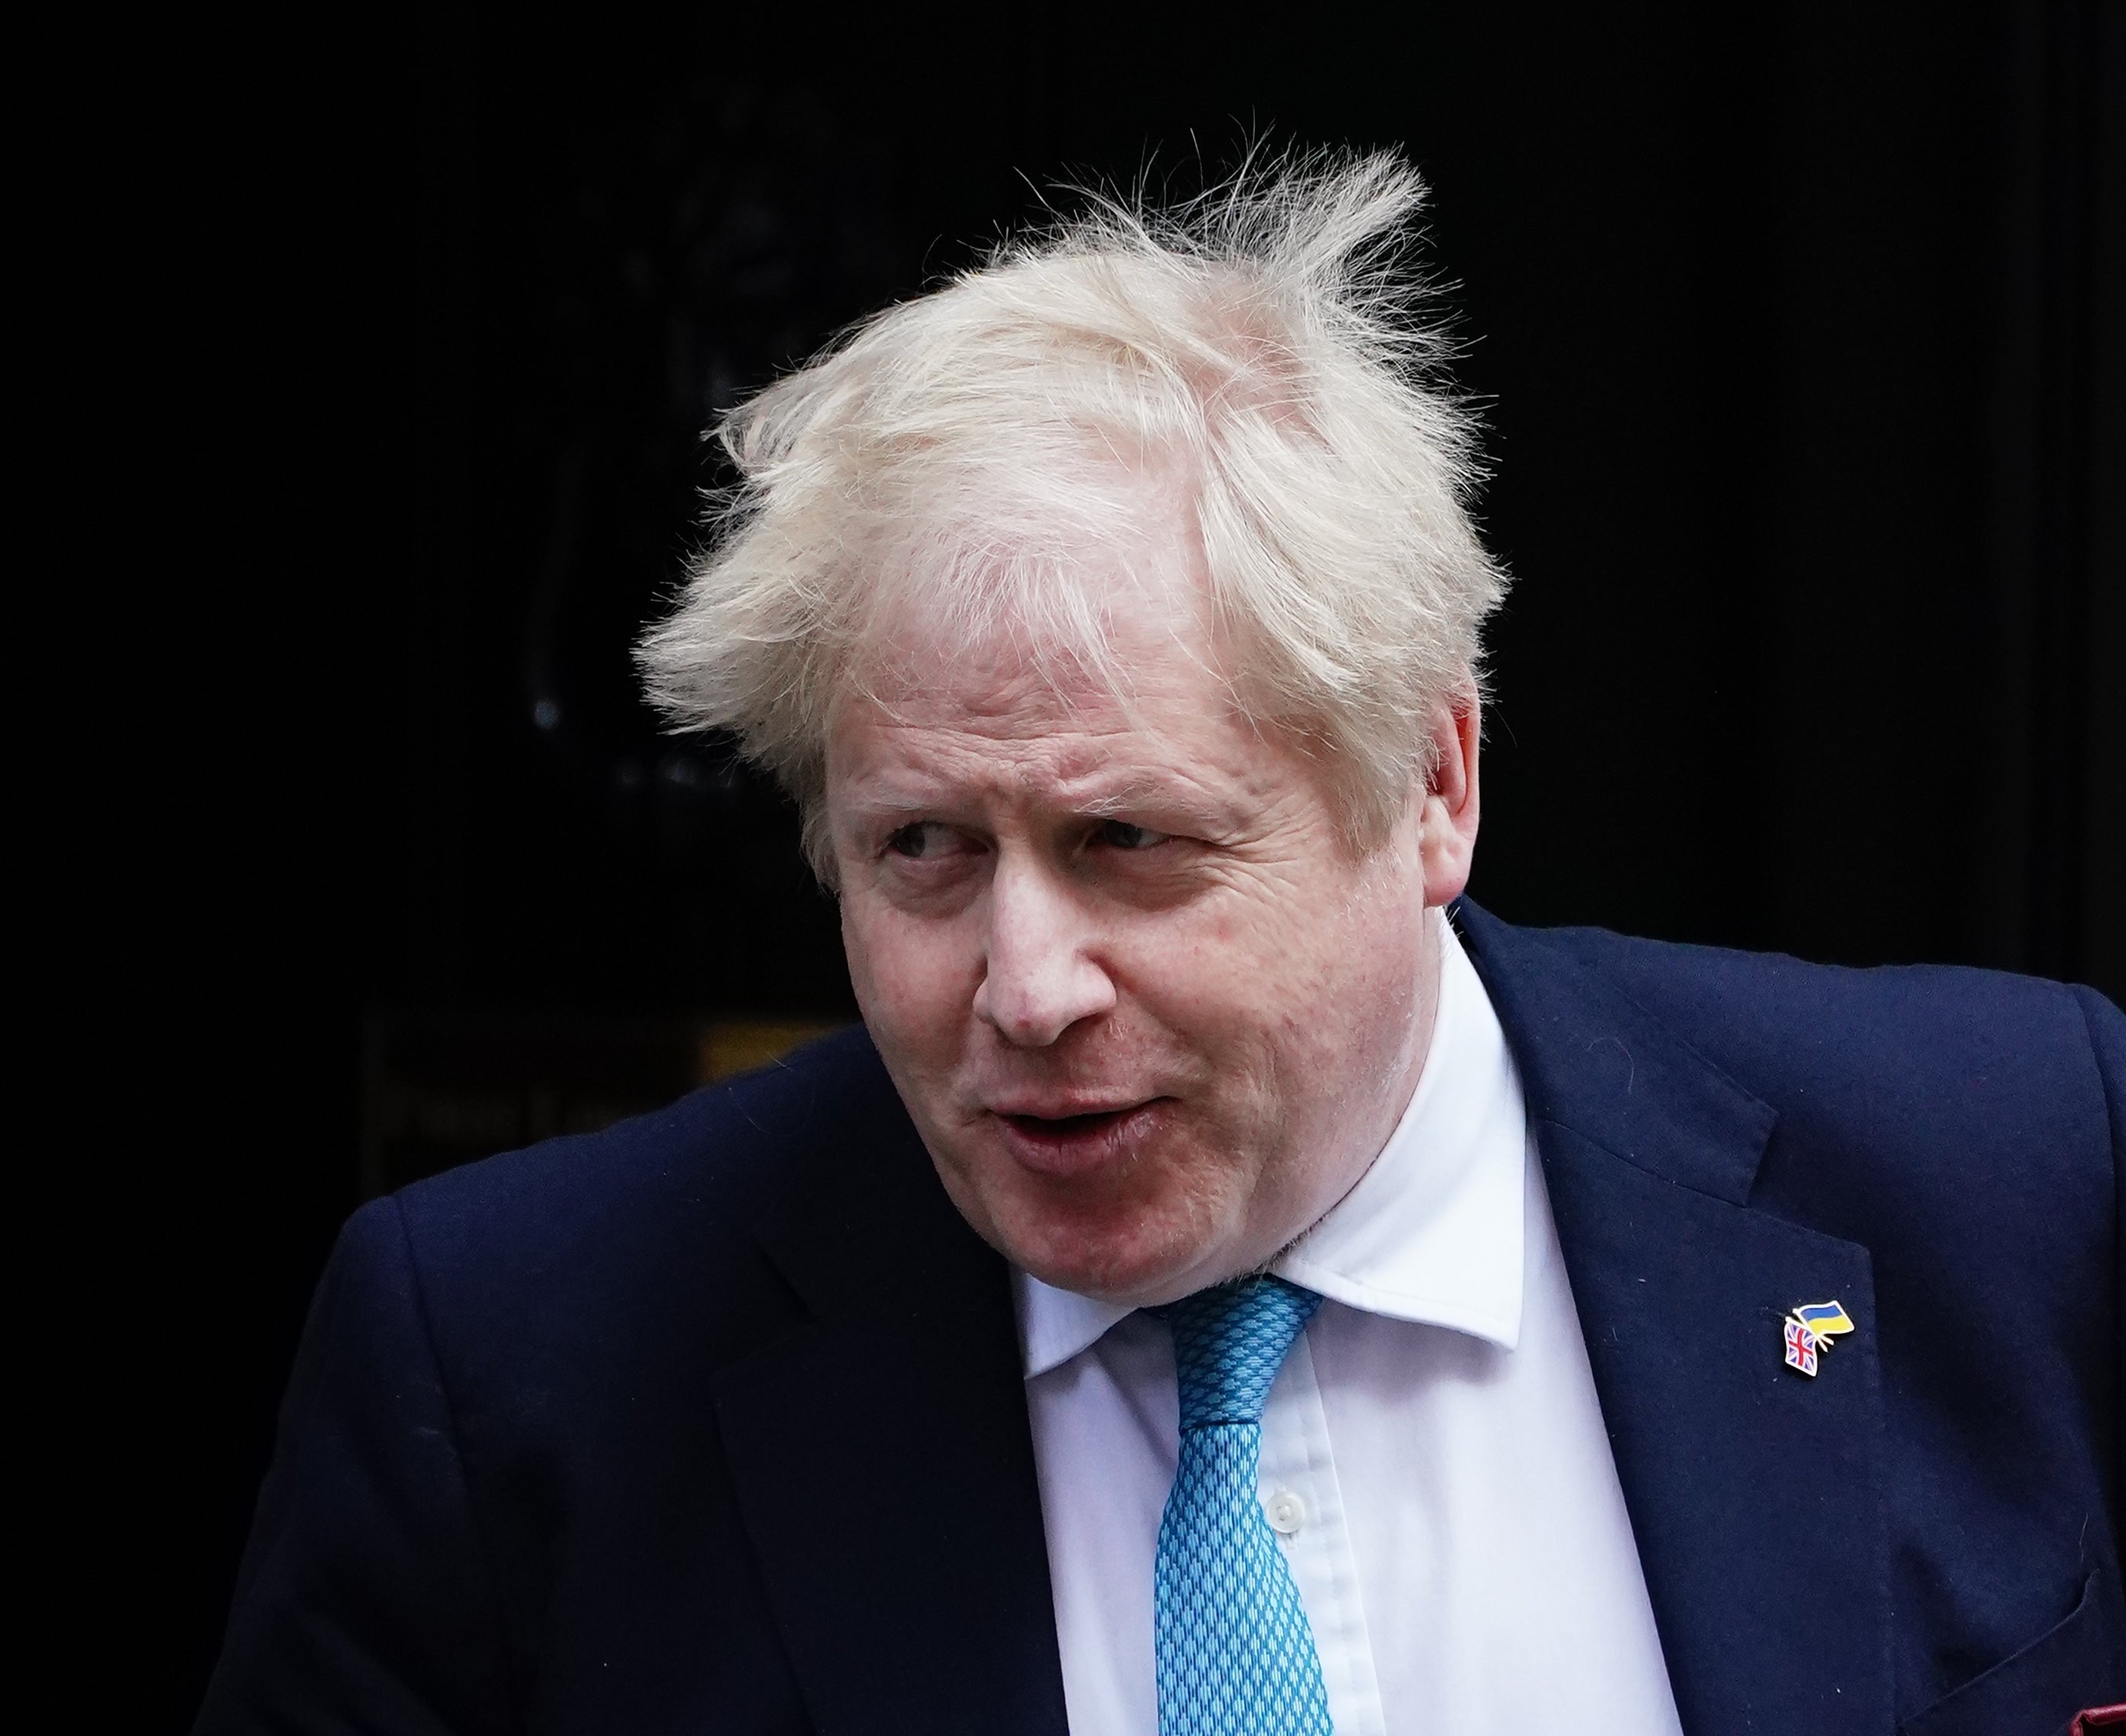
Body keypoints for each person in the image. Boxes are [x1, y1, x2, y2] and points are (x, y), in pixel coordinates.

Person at [198, 153, 2124, 1734]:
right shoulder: (517, 1369)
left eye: (1128, 843)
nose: (1024, 989)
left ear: (1433, 783)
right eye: (924, 852)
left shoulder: (2017, 1169)